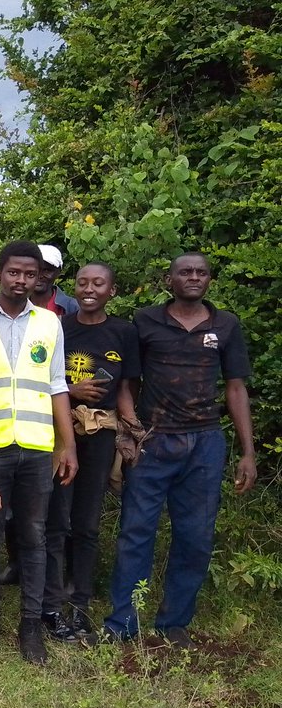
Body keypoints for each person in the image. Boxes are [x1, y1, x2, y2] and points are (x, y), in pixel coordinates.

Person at [105, 252, 256, 648]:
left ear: (209, 280)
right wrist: (128, 429)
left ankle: (174, 622)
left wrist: (248, 452)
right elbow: (128, 381)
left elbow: (236, 388)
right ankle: (123, 622)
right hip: (153, 441)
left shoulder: (225, 325)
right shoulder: (146, 321)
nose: (193, 277)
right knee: (136, 533)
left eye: (201, 272)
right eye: (185, 272)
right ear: (169, 279)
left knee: (195, 536)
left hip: (204, 443)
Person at [0, 240, 77, 664]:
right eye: (14, 272)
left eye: (30, 274)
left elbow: (57, 385)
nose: (22, 280)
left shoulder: (50, 324)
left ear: (38, 277)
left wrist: (67, 445)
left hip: (37, 448)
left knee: (34, 537)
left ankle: (30, 626)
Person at [41, 263, 140, 644]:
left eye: (98, 283)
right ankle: (52, 601)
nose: (89, 289)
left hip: (101, 434)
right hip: (61, 430)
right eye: (82, 282)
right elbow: (44, 380)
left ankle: (79, 603)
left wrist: (133, 434)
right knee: (55, 519)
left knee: (87, 522)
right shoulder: (59, 329)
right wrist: (71, 389)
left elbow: (128, 388)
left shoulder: (123, 331)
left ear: (111, 291)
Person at [31, 243, 79, 317]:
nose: (40, 275)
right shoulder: (16, 305)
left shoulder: (73, 307)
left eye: (47, 270)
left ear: (58, 272)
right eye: (35, 269)